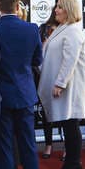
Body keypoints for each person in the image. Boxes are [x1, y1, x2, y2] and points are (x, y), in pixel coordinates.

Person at [0, 0, 41, 169]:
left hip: (1, 95)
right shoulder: (31, 29)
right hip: (25, 93)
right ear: (18, 4)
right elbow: (36, 60)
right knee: (28, 146)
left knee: (3, 148)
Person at [38, 0, 85, 169]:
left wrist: (60, 83)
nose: (55, 10)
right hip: (65, 86)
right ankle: (72, 164)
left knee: (71, 124)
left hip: (70, 88)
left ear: (68, 10)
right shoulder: (63, 28)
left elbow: (70, 60)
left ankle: (73, 164)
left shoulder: (73, 31)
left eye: (59, 7)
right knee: (68, 125)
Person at [38, 12, 59, 159]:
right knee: (47, 113)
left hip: (62, 75)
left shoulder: (68, 29)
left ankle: (66, 149)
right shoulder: (43, 28)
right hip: (45, 73)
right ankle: (48, 145)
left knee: (66, 116)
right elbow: (37, 51)